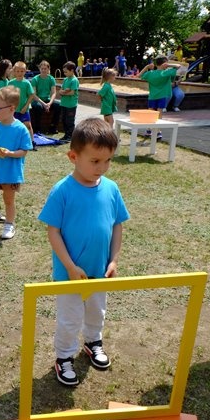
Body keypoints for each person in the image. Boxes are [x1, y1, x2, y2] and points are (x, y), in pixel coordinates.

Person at [38, 118, 129, 386]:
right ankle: (64, 357)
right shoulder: (62, 191)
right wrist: (69, 266)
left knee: (96, 312)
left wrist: (114, 260)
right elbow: (53, 232)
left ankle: (93, 342)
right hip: (69, 274)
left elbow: (117, 226)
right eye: (95, 161)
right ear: (73, 157)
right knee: (70, 319)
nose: (102, 168)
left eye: (108, 160)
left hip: (99, 271)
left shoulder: (111, 189)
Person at [0, 86, 32, 240]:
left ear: (11, 109)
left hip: (11, 174)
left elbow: (24, 151)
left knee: (9, 200)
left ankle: (9, 224)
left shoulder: (21, 129)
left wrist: (10, 153)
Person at [30, 60, 60, 134]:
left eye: (45, 68)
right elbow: (34, 95)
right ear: (39, 69)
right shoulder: (35, 79)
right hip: (37, 101)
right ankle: (37, 129)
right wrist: (43, 104)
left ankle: (53, 127)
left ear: (48, 69)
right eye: (42, 68)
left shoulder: (51, 79)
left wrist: (49, 103)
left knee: (58, 105)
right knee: (38, 107)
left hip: (47, 100)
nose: (43, 70)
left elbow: (53, 93)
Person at [9, 61, 36, 140]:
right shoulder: (11, 83)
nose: (19, 73)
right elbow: (8, 95)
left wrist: (26, 106)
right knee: (13, 127)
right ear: (14, 72)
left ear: (25, 71)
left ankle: (32, 141)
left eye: (22, 71)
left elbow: (31, 95)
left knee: (28, 126)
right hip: (13, 110)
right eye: (17, 71)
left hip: (24, 109)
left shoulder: (27, 83)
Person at [58, 60, 80, 142]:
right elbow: (60, 91)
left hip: (71, 105)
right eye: (64, 72)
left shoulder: (74, 80)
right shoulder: (65, 80)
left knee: (69, 121)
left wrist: (64, 92)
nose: (64, 73)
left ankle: (70, 136)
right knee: (63, 120)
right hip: (64, 104)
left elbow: (72, 92)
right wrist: (65, 91)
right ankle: (66, 135)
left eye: (66, 72)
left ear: (72, 70)